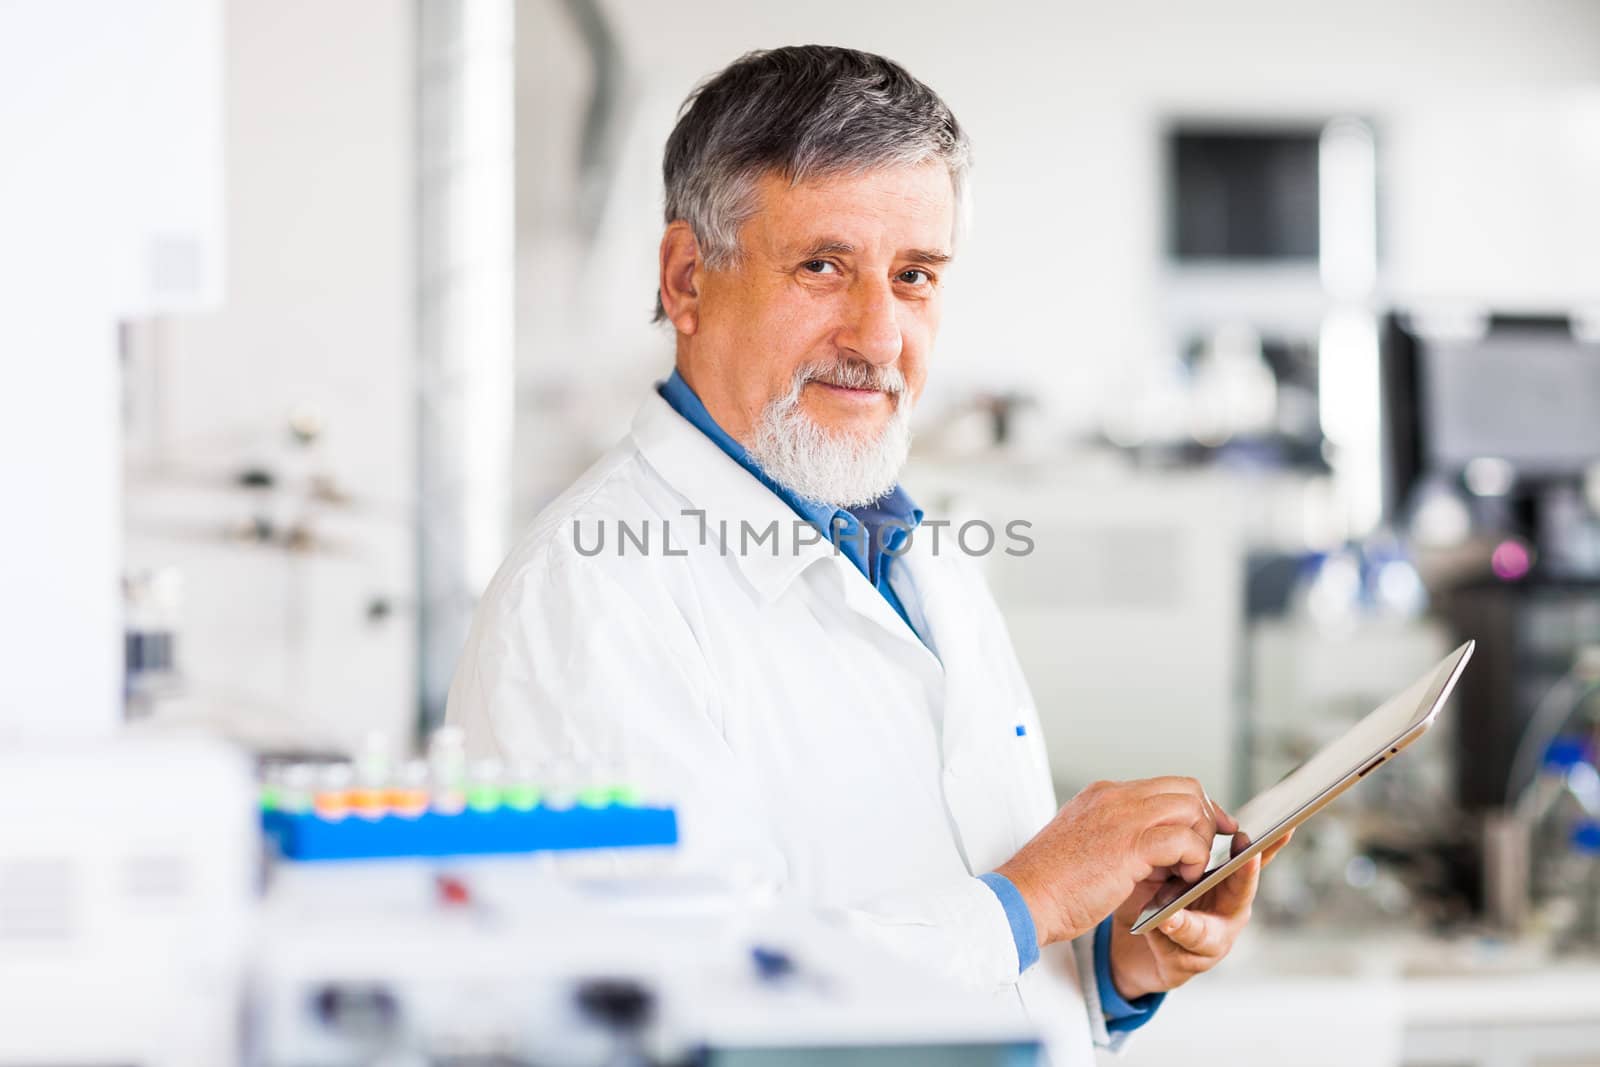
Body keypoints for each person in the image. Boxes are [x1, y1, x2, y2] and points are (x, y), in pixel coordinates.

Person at [448, 44, 1287, 1062]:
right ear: (685, 278)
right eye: (822, 267)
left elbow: (966, 926)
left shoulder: (918, 549)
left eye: (914, 276)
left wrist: (1110, 959)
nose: (879, 335)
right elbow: (667, 1010)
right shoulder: (587, 597)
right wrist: (1029, 899)